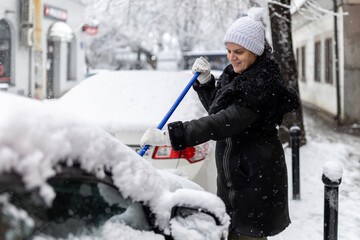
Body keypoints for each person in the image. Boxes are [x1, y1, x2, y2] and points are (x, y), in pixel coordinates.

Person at [141, 7, 299, 240]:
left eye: (239, 51)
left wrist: (172, 136)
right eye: (228, 51)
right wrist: (206, 83)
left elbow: (223, 122)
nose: (232, 57)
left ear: (255, 51)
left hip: (254, 185)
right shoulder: (238, 76)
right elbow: (220, 109)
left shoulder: (262, 86)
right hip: (236, 182)